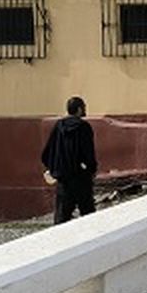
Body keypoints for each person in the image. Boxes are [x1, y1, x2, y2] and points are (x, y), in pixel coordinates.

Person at [41, 96, 98, 224]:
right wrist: (92, 169)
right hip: (81, 176)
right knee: (88, 214)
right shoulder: (83, 127)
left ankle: (60, 242)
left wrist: (54, 168)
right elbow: (88, 152)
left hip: (63, 178)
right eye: (83, 107)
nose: (84, 110)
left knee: (62, 216)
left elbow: (48, 150)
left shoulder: (59, 126)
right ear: (78, 109)